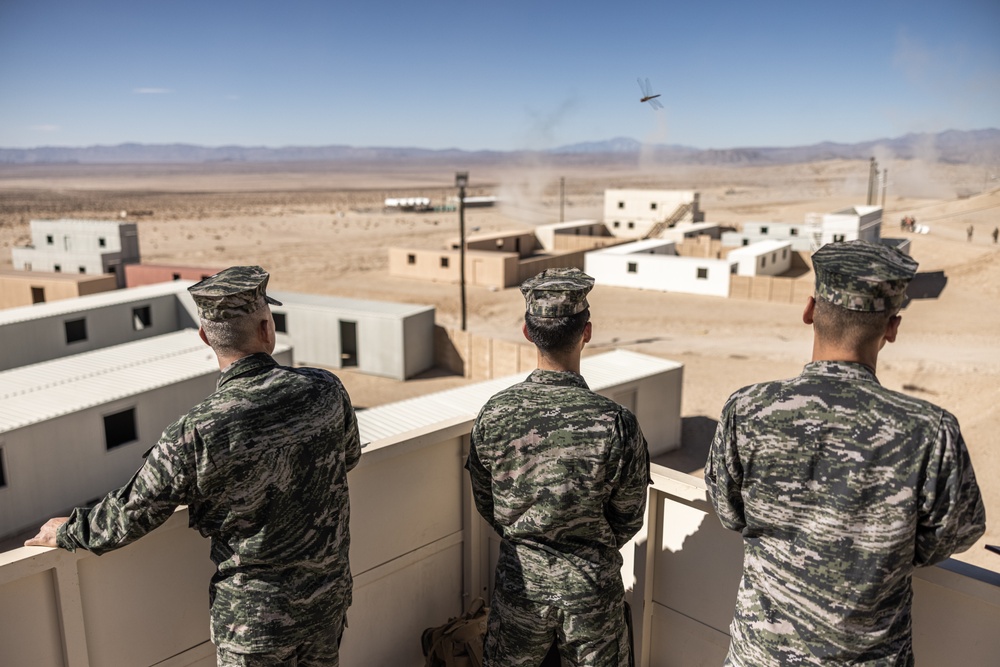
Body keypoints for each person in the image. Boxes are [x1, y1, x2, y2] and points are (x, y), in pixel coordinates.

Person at [25, 266, 362, 667]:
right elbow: (349, 456)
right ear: (267, 329)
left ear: (205, 337)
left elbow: (129, 516)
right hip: (326, 604)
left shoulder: (197, 430)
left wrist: (68, 530)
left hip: (255, 627)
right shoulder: (325, 388)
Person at [704, 240, 985, 666]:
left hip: (760, 654)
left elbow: (729, 511)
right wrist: (883, 552)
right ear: (892, 327)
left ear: (809, 310)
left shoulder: (747, 409)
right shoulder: (928, 430)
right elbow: (957, 532)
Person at [465, 267, 650, 667]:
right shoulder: (614, 422)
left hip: (521, 586)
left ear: (528, 332)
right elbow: (629, 516)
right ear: (586, 332)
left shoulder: (495, 414)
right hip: (591, 591)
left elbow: (486, 501)